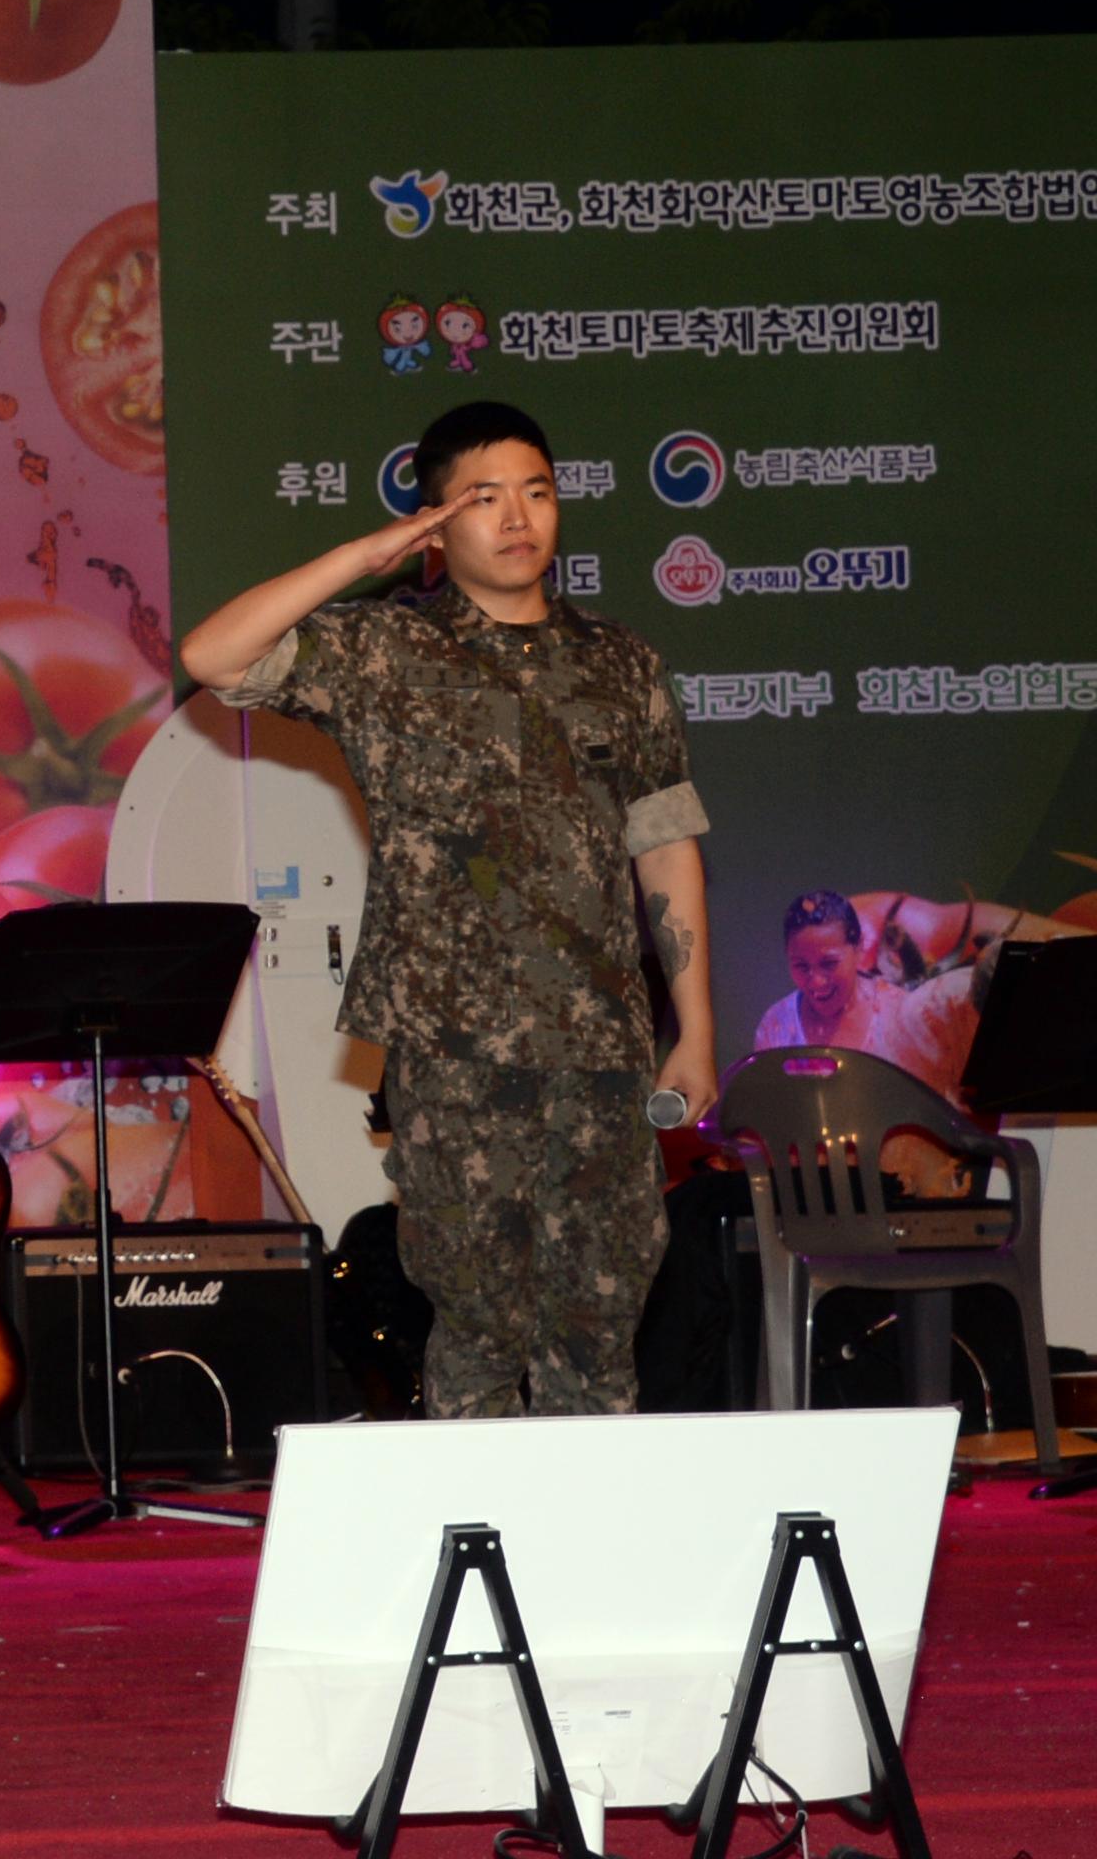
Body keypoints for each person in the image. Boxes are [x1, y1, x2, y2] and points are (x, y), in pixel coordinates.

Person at [180, 399, 716, 1419]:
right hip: (455, 1049)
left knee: (600, 1328)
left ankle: (584, 1560)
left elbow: (663, 842)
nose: (517, 517)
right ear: (434, 524)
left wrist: (693, 1027)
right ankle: (481, 1559)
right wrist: (367, 554)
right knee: (474, 1328)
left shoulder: (622, 665)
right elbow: (214, 657)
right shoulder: (386, 653)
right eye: (481, 499)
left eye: (536, 492)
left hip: (599, 1046)